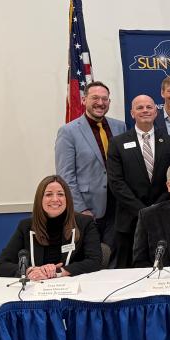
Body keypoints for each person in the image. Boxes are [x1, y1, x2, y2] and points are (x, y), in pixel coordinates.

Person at [107, 95, 170, 268]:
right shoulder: (118, 143)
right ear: (132, 113)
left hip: (162, 217)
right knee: (128, 270)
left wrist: (155, 209)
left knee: (162, 267)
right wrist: (142, 211)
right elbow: (116, 182)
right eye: (140, 108)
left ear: (156, 112)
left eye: (149, 107)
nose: (145, 111)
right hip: (129, 220)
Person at [54, 80, 126, 249]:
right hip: (88, 210)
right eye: (95, 98)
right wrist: (81, 209)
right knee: (91, 259)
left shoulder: (120, 127)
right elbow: (66, 176)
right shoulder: (68, 132)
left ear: (109, 102)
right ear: (84, 100)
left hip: (118, 209)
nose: (100, 103)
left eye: (104, 99)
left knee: (116, 260)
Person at [0, 175, 102, 278]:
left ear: (67, 199)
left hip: (72, 287)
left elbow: (95, 261)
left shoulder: (84, 223)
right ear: (40, 199)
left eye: (60, 194)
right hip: (36, 288)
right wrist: (30, 271)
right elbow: (1, 265)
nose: (55, 199)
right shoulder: (26, 226)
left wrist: (59, 272)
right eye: (49, 194)